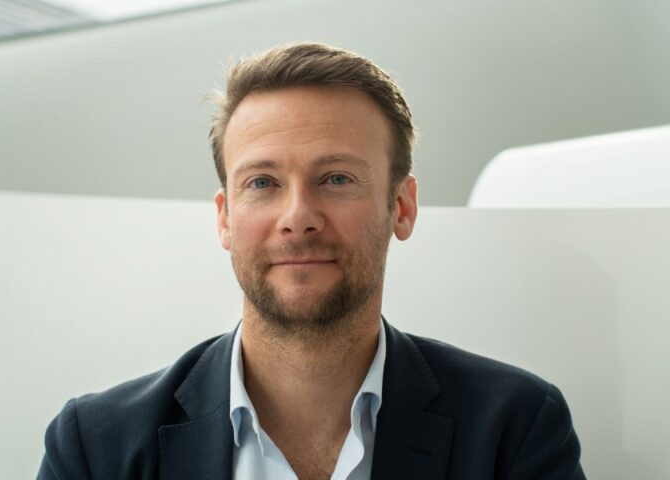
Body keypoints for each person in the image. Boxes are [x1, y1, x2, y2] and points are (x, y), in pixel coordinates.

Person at [38, 43, 585, 480]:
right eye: (263, 183)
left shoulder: (514, 428)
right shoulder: (96, 448)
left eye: (336, 179)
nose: (298, 216)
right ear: (225, 218)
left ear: (401, 206)